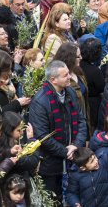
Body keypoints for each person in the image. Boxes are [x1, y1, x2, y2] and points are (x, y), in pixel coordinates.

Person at [29, 61, 87, 202]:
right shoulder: (40, 101)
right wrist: (66, 152)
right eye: (65, 75)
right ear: (53, 79)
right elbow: (42, 136)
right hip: (50, 164)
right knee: (53, 200)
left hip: (73, 157)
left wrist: (76, 145)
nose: (69, 77)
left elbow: (81, 120)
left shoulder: (70, 92)